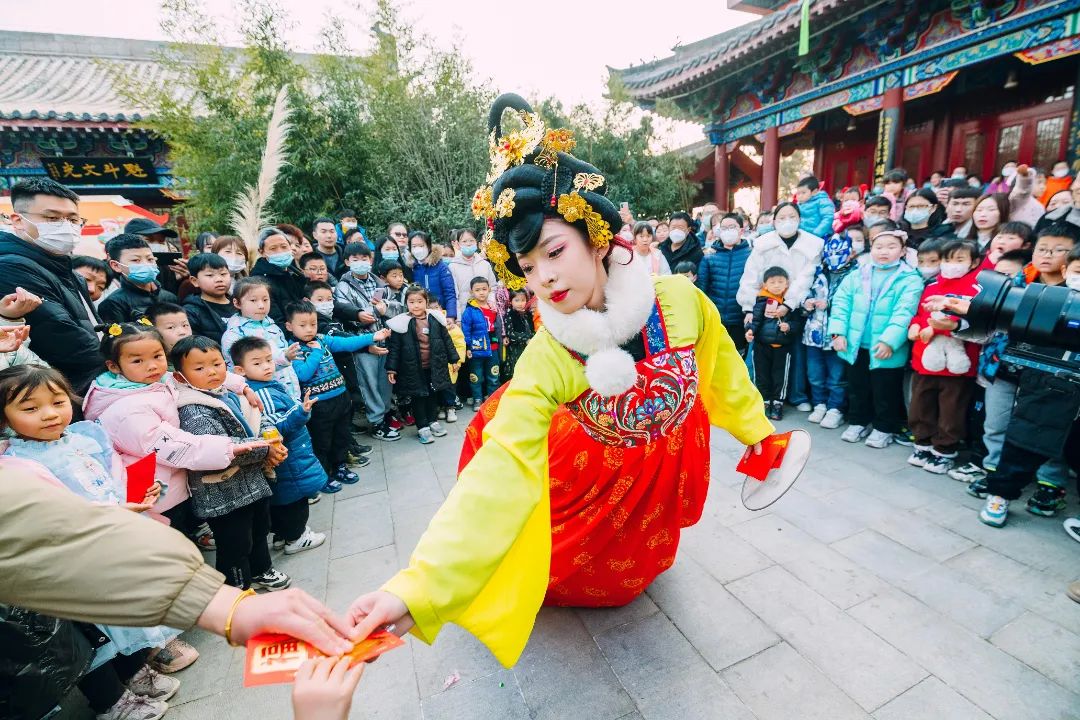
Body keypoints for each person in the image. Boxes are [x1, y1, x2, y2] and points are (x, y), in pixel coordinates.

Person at [345, 94, 774, 667]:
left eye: (554, 251)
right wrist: (416, 589)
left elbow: (722, 370)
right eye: (527, 267)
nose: (544, 277)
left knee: (644, 558)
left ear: (596, 237)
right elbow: (500, 471)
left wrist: (758, 432)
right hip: (588, 481)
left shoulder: (679, 300)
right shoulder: (547, 357)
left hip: (658, 470)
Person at [171, 335, 291, 592]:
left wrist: (271, 438)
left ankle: (261, 570)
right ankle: (238, 587)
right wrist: (265, 449)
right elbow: (222, 449)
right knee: (235, 545)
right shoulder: (193, 410)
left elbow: (255, 417)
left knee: (259, 530)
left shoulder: (226, 393)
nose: (212, 372)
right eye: (199, 368)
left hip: (252, 483)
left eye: (216, 364)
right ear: (180, 377)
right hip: (224, 493)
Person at [0, 178, 104, 394]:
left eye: (73, 219)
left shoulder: (65, 269)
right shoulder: (11, 266)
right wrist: (122, 357)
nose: (66, 226)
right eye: (52, 218)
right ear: (18, 221)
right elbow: (61, 338)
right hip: (58, 391)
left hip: (89, 382)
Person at [228, 335, 327, 551]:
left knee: (285, 500)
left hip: (288, 456)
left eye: (269, 360)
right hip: (288, 456)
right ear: (240, 370)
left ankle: (283, 535)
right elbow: (276, 428)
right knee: (294, 500)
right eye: (257, 363)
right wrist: (301, 411)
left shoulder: (261, 386)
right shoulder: (262, 392)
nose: (266, 366)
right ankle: (296, 538)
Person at [827, 229, 923, 448]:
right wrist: (838, 333)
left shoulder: (910, 279)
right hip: (856, 344)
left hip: (886, 347)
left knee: (885, 390)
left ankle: (884, 428)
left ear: (903, 251)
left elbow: (904, 312)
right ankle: (858, 421)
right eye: (879, 247)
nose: (884, 252)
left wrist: (890, 341)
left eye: (891, 247)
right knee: (857, 386)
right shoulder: (858, 274)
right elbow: (841, 303)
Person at [284, 301, 388, 487]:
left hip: (340, 397)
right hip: (319, 405)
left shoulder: (322, 339)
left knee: (341, 436)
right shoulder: (293, 350)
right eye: (303, 325)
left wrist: (373, 336)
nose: (309, 329)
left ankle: (340, 467)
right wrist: (316, 353)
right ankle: (324, 475)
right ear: (289, 326)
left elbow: (346, 343)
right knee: (322, 441)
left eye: (313, 324)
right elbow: (303, 374)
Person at [738, 201, 824, 411]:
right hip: (766, 304)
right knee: (760, 352)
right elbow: (751, 276)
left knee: (793, 353)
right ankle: (758, 396)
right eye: (782, 217)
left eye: (792, 217)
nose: (787, 221)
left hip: (796, 304)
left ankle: (796, 396)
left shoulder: (812, 245)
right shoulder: (763, 244)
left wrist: (789, 304)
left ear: (799, 219)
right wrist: (749, 308)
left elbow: (805, 278)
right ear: (774, 221)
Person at [905, 239, 982, 474]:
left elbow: (972, 322)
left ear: (974, 262)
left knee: (951, 409)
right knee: (921, 404)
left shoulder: (977, 289)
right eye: (947, 259)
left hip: (957, 365)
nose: (952, 264)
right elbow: (920, 313)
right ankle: (922, 443)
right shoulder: (932, 285)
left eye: (959, 259)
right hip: (926, 359)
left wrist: (938, 329)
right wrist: (916, 326)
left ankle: (945, 450)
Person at [334, 242, 400, 442]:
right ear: (347, 262)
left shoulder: (379, 283)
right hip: (363, 343)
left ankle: (385, 415)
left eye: (364, 258)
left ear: (371, 260)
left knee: (385, 381)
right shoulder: (343, 286)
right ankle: (376, 422)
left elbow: (397, 306)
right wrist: (367, 313)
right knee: (369, 383)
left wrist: (385, 306)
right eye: (355, 259)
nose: (361, 263)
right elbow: (345, 314)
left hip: (385, 339)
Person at [385, 285, 459, 444]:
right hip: (412, 369)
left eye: (419, 301)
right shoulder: (401, 323)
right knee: (418, 397)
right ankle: (422, 427)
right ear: (406, 303)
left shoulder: (436, 319)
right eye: (411, 302)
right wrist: (391, 368)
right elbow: (395, 348)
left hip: (434, 366)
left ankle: (432, 421)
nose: (416, 305)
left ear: (426, 302)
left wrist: (454, 360)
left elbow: (447, 340)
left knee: (433, 394)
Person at [802, 233, 858, 429]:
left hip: (838, 334)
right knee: (815, 374)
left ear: (851, 252)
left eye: (840, 251)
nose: (834, 255)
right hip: (813, 332)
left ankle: (836, 409)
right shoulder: (817, 273)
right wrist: (806, 303)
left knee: (837, 376)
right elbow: (803, 292)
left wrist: (830, 304)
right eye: (830, 251)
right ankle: (820, 404)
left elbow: (854, 303)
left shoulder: (855, 274)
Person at [221, 276, 302, 401]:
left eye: (265, 300)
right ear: (237, 303)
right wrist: (284, 357)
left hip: (290, 391)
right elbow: (242, 369)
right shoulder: (234, 334)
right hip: (264, 395)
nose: (261, 306)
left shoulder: (272, 325)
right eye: (253, 300)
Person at [697, 212, 751, 356]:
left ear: (741, 230)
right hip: (716, 319)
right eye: (724, 228)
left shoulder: (751, 255)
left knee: (738, 357)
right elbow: (702, 289)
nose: (728, 231)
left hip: (740, 319)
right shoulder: (709, 256)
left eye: (732, 227)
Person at [745, 267, 794, 420]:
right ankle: (764, 402)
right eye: (772, 282)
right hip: (762, 345)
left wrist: (789, 327)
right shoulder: (761, 300)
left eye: (780, 282)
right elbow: (756, 320)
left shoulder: (790, 302)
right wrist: (750, 330)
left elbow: (797, 322)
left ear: (787, 284)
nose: (777, 285)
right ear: (765, 285)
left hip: (782, 347)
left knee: (780, 377)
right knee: (762, 375)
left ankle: (778, 403)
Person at [98, 234, 180, 324]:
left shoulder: (170, 297)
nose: (146, 264)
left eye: (150, 259)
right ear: (116, 266)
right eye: (136, 260)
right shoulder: (113, 304)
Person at [249, 227, 306, 330]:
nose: (280, 252)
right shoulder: (259, 282)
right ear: (262, 252)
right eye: (273, 249)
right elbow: (275, 321)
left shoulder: (296, 274)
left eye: (284, 247)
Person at [460, 277, 503, 409]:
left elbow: (499, 326)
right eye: (477, 290)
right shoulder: (469, 311)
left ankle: (491, 399)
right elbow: (466, 331)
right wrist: (468, 347)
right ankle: (477, 399)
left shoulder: (493, 308)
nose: (481, 292)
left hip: (493, 348)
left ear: (489, 289)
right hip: (476, 349)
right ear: (471, 292)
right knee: (476, 376)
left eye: (484, 289)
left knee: (493, 375)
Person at [183, 252, 236, 345]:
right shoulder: (191, 312)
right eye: (210, 275)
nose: (219, 279)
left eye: (223, 274)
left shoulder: (240, 303)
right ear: (195, 281)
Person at [426, 297, 465, 423]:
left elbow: (460, 345)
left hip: (450, 364)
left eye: (436, 307)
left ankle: (450, 407)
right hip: (435, 363)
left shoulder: (449, 325)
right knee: (437, 388)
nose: (434, 310)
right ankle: (441, 407)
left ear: (441, 308)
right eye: (430, 308)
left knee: (449, 387)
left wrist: (458, 361)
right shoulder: (425, 323)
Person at [448, 228, 498, 317]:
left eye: (471, 240)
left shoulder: (484, 264)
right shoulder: (453, 266)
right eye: (464, 241)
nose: (468, 244)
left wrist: (491, 306)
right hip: (465, 314)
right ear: (458, 244)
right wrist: (458, 318)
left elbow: (493, 288)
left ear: (476, 243)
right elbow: (454, 294)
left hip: (486, 313)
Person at [409, 231, 458, 320]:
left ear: (428, 247)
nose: (418, 249)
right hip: (418, 316)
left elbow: (449, 293)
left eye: (421, 246)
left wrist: (451, 316)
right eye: (414, 246)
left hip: (440, 314)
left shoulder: (441, 267)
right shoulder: (411, 268)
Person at [503, 288, 533, 383]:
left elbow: (532, 330)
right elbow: (510, 334)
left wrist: (532, 338)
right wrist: (526, 339)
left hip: (528, 348)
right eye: (517, 300)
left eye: (523, 300)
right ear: (511, 301)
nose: (520, 303)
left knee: (528, 371)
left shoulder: (528, 314)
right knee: (515, 371)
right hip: (515, 349)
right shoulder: (509, 314)